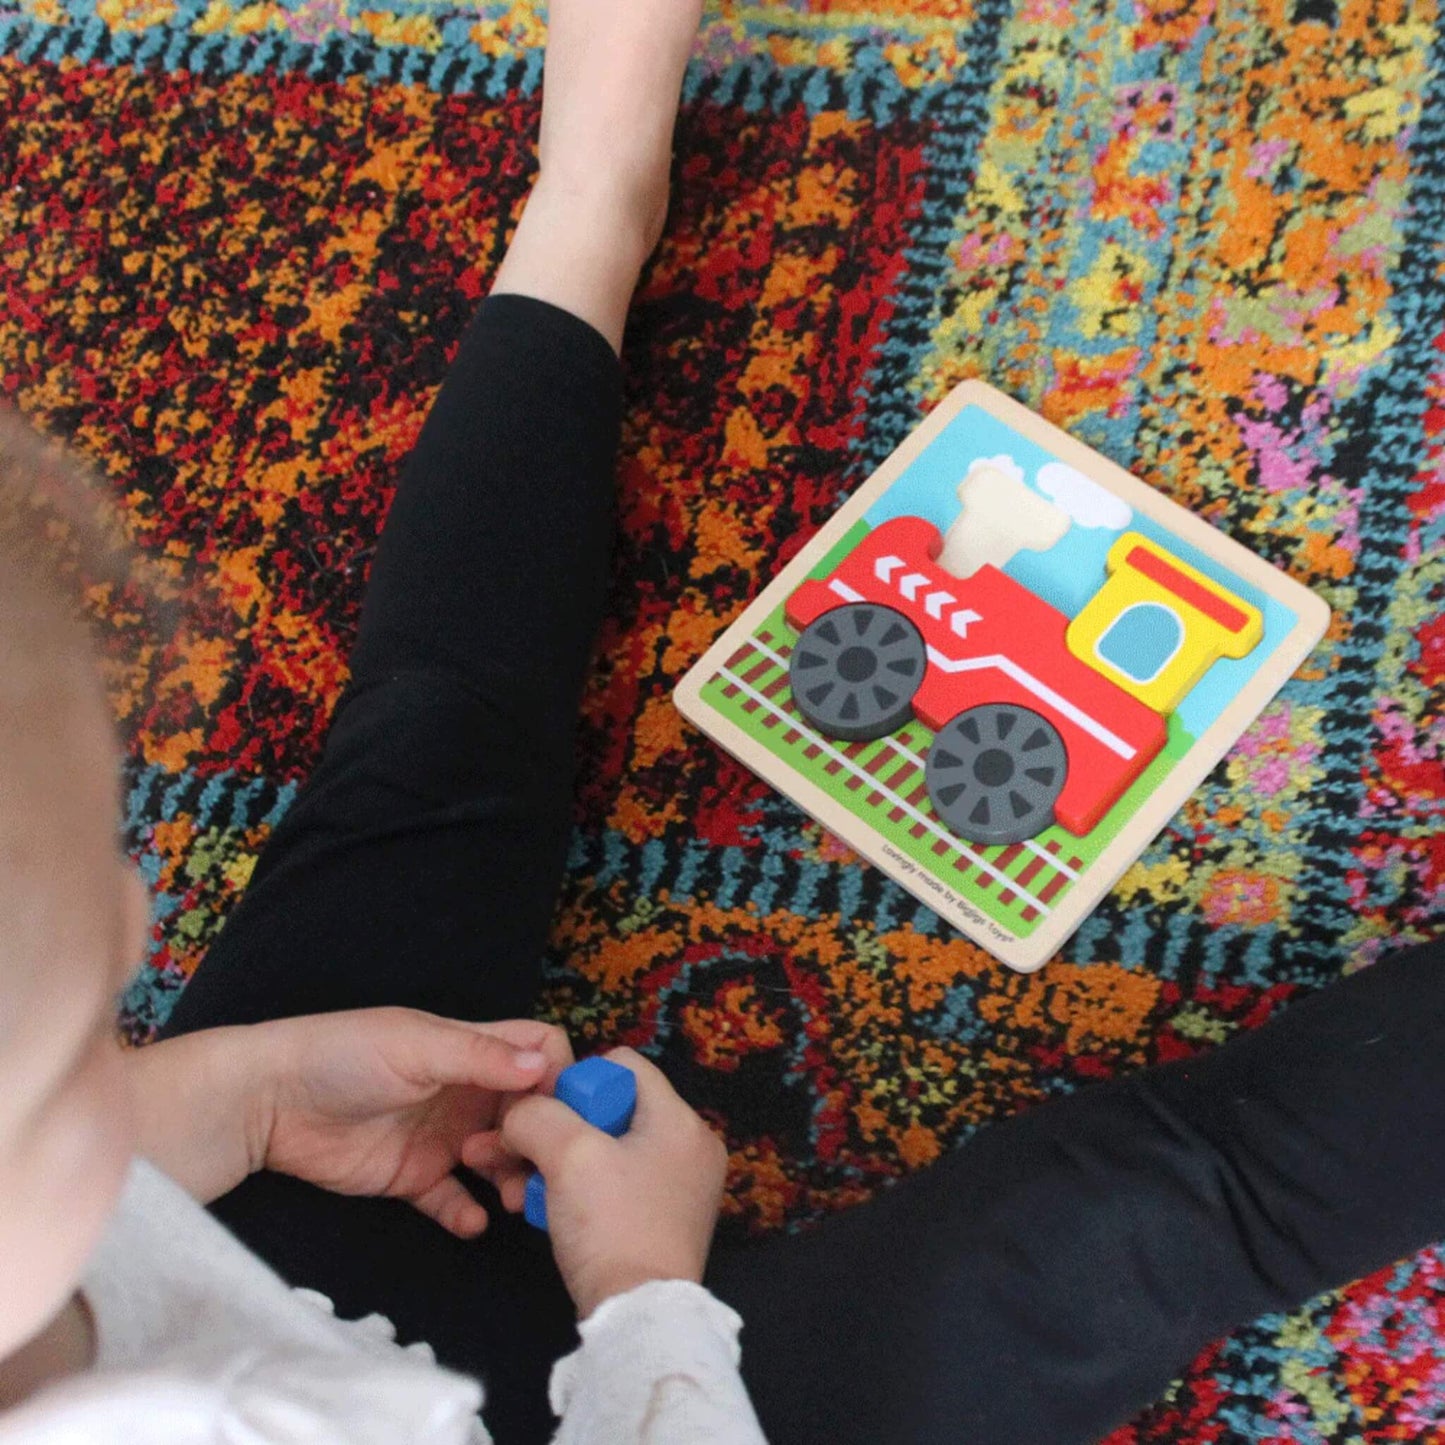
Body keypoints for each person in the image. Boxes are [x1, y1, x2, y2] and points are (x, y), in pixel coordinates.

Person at [2, 1, 1442, 1441]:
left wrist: (235, 1096)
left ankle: (587, 198)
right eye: (86, 1028)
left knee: (422, 747)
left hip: (241, 1236)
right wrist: (642, 1296)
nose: (147, 923)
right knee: (1145, 1213)